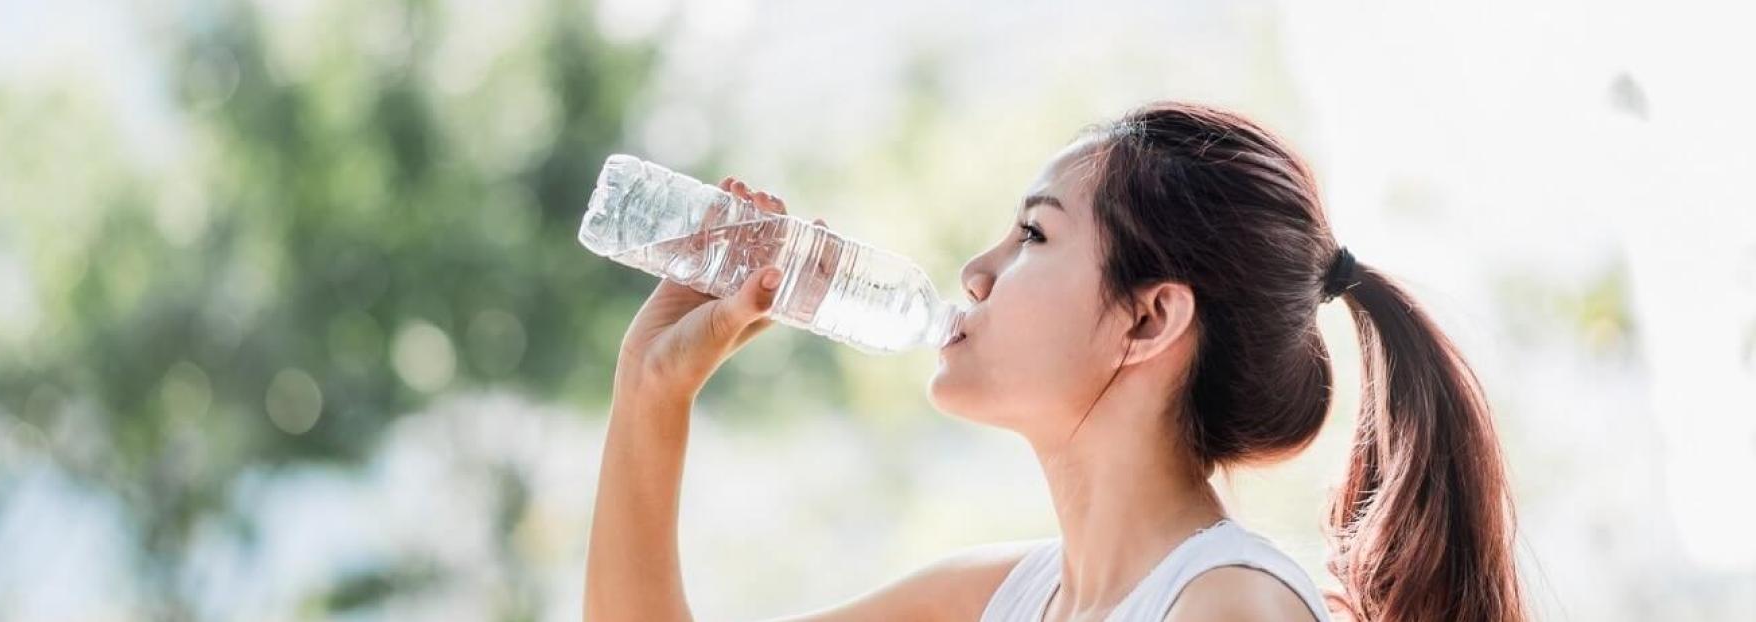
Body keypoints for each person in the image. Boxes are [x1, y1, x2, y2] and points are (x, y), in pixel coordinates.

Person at [583, 102, 1525, 622]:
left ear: (1149, 319)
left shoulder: (1227, 611)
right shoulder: (1008, 598)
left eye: (1033, 233)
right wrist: (651, 393)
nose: (975, 272)